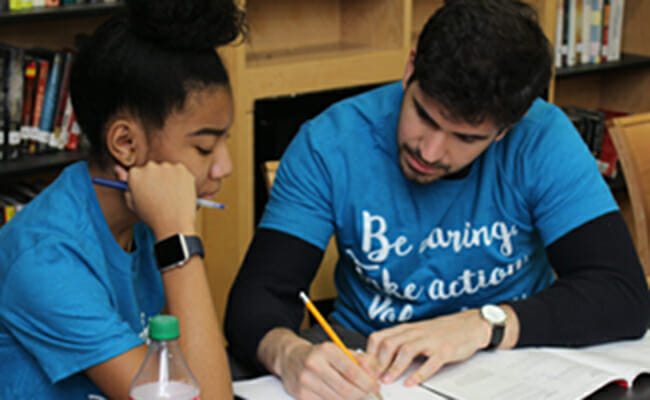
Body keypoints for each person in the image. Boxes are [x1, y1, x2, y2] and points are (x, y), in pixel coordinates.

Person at [225, 0, 650, 399]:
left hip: (513, 362)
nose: (429, 152)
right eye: (424, 115)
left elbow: (623, 294)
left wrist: (484, 324)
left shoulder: (543, 138)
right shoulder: (330, 144)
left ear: (507, 128)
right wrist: (287, 353)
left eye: (465, 138)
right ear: (410, 70)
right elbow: (257, 298)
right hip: (372, 364)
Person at [0, 0, 245, 398]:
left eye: (224, 141)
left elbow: (188, 368)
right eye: (204, 147)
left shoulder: (141, 219)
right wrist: (178, 237)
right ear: (125, 144)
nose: (224, 167)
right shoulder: (46, 262)